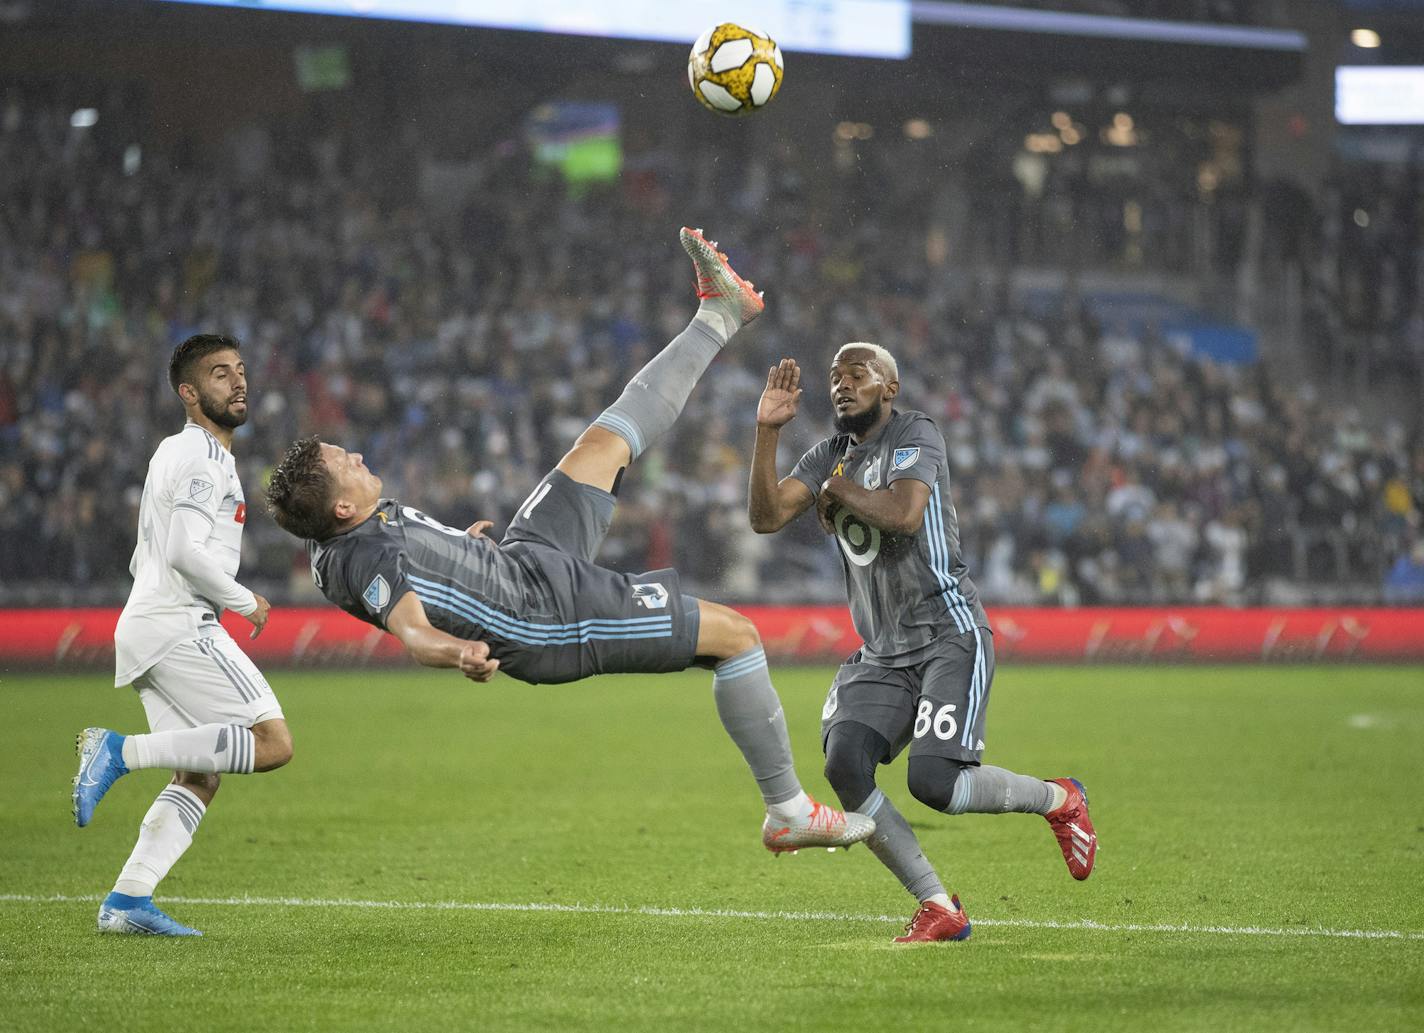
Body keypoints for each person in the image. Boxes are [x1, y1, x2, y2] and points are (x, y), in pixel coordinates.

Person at [263, 228, 874, 855]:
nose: (359, 455)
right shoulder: (357, 553)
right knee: (738, 637)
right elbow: (412, 629)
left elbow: (414, 565)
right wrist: (457, 653)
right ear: (341, 505)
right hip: (542, 618)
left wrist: (460, 549)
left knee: (602, 441)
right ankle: (788, 811)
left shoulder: (354, 528)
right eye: (346, 461)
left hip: (520, 562)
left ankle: (720, 313)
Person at [746, 345, 1098, 943]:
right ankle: (938, 905)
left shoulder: (916, 433)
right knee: (844, 762)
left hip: (949, 634)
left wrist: (839, 493)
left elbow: (907, 514)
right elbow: (765, 516)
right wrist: (765, 434)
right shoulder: (829, 455)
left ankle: (1057, 798)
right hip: (883, 652)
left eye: (857, 375)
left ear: (891, 387)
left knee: (935, 783)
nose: (841, 385)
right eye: (835, 378)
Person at [72, 334, 293, 937]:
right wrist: (245, 601)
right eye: (220, 375)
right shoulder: (201, 456)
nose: (238, 382)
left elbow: (145, 555)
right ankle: (117, 751)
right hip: (179, 623)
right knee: (272, 742)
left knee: (199, 773)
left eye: (241, 371)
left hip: (147, 623)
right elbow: (181, 551)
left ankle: (127, 900)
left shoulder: (178, 452)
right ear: (189, 393)